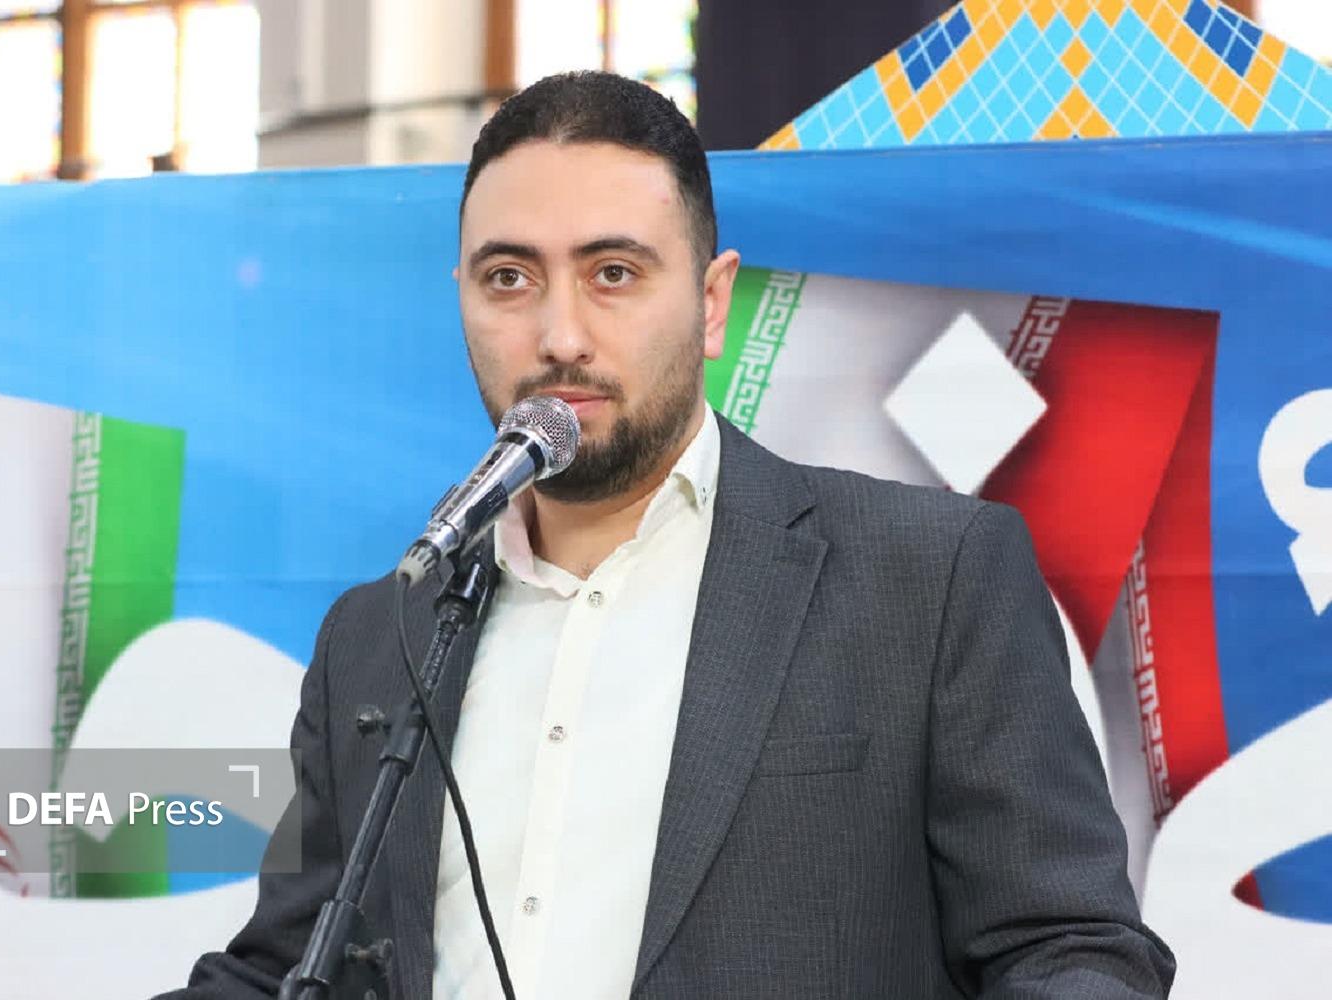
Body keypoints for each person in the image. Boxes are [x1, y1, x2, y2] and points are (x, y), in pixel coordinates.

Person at [161, 71, 1174, 1000]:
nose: (559, 336)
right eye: (509, 278)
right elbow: (285, 968)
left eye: (612, 273)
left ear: (712, 303)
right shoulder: (379, 636)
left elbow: (1072, 952)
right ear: (461, 296)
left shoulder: (927, 580)